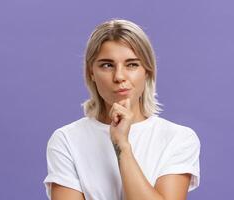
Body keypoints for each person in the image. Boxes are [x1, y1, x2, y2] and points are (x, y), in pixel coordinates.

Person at [43, 19, 201, 200]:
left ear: (147, 70)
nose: (119, 76)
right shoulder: (67, 140)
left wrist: (122, 146)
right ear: (91, 73)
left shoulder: (178, 138)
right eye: (107, 65)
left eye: (132, 64)